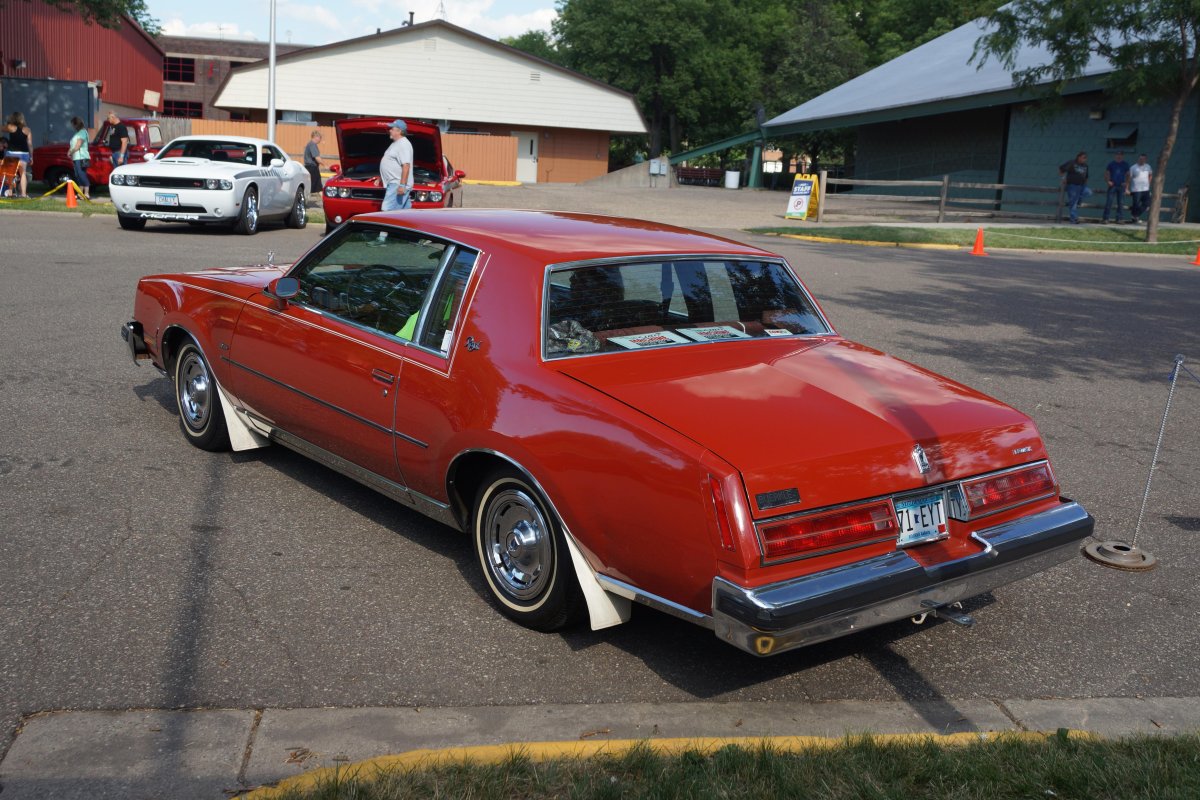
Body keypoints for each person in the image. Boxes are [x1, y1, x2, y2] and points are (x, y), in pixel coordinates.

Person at [379, 119, 412, 212]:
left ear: (399, 131)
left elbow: (406, 165)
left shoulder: (403, 144)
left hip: (397, 184)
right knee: (404, 214)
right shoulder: (396, 143)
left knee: (386, 210)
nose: (390, 130)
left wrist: (402, 185)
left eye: (392, 128)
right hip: (394, 183)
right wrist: (381, 177)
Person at [5, 111, 33, 199]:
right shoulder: (27, 129)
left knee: (10, 173)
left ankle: (10, 192)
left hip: (12, 153)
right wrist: (31, 156)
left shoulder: (10, 127)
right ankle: (23, 194)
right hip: (24, 154)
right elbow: (30, 144)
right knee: (23, 173)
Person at [1058, 151, 1091, 224]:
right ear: (1079, 157)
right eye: (1083, 157)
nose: (1085, 159)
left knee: (1089, 192)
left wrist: (1085, 184)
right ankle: (1074, 219)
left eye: (1086, 158)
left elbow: (1086, 177)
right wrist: (1063, 178)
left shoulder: (1085, 166)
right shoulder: (1072, 163)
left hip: (1082, 185)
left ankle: (1070, 202)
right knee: (1073, 203)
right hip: (1072, 185)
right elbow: (1061, 169)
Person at [1102, 151, 1129, 223]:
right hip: (1112, 186)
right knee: (1109, 202)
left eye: (1120, 155)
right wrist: (1108, 181)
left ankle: (1119, 219)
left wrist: (1126, 184)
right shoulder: (1111, 164)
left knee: (1121, 203)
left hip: (1121, 186)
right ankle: (1105, 218)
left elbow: (1128, 175)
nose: (1119, 156)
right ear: (1115, 156)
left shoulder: (1125, 164)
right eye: (1117, 155)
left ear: (1122, 156)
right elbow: (1106, 173)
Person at [68, 116, 91, 199]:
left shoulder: (82, 132)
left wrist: (71, 152)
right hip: (76, 157)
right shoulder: (77, 133)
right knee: (78, 175)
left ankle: (87, 193)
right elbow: (74, 145)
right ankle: (80, 193)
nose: (72, 127)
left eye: (73, 125)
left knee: (82, 174)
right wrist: (70, 151)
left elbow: (78, 145)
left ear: (76, 124)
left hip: (81, 157)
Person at [1128, 153, 1152, 224]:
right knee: (1136, 204)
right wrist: (1127, 188)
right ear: (1138, 159)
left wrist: (1149, 183)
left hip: (1146, 189)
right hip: (1136, 189)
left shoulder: (1148, 166)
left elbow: (1150, 175)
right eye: (1140, 159)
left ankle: (1135, 215)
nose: (1142, 160)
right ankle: (1135, 218)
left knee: (1147, 203)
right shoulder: (1133, 167)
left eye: (1143, 159)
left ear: (1146, 160)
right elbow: (1128, 178)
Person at [303, 130, 324, 205]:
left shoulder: (310, 144)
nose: (320, 140)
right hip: (312, 168)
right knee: (311, 187)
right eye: (320, 138)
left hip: (310, 167)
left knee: (318, 186)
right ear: (316, 137)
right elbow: (317, 158)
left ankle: (325, 201)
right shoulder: (312, 145)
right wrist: (325, 164)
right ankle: (303, 202)